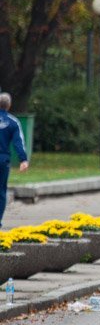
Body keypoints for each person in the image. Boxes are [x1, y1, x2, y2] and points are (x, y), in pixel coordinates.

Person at [0, 93, 29, 227]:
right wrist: (23, 160)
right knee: (1, 191)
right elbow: (18, 142)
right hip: (3, 160)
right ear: (9, 105)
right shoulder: (13, 122)